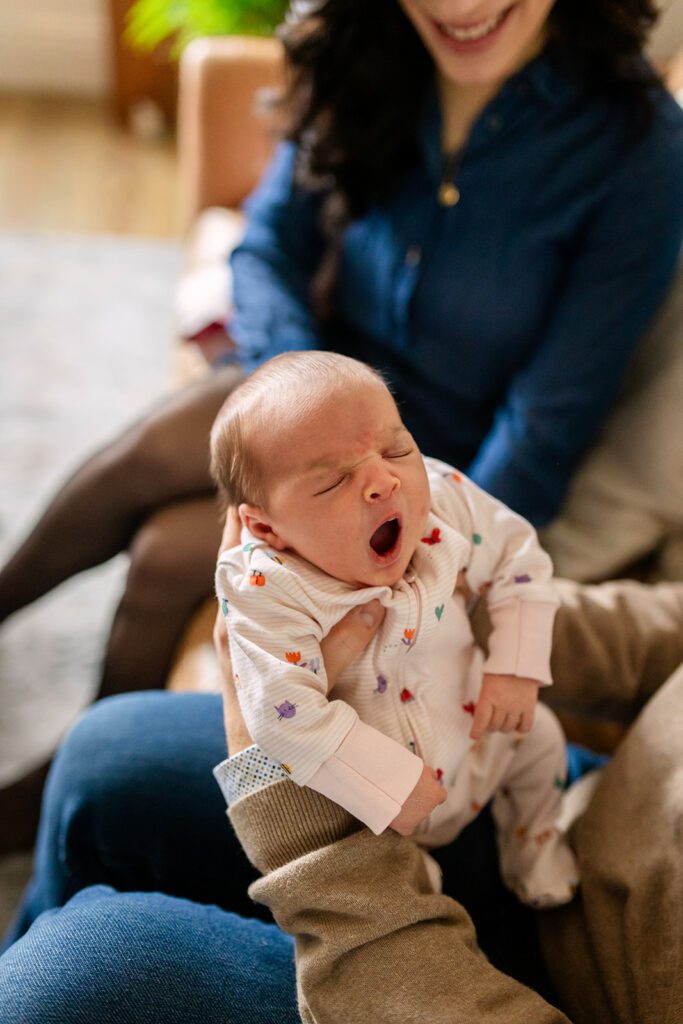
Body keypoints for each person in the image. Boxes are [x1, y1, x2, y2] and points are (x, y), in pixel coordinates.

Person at [212, 350, 578, 907]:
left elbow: (518, 557)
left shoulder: (442, 500)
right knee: (379, 869)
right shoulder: (266, 587)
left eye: (397, 448)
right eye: (334, 480)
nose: (384, 481)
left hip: (478, 730)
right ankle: (420, 900)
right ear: (266, 527)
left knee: (544, 739)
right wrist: (384, 781)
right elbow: (281, 714)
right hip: (372, 802)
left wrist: (514, 667)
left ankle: (533, 843)